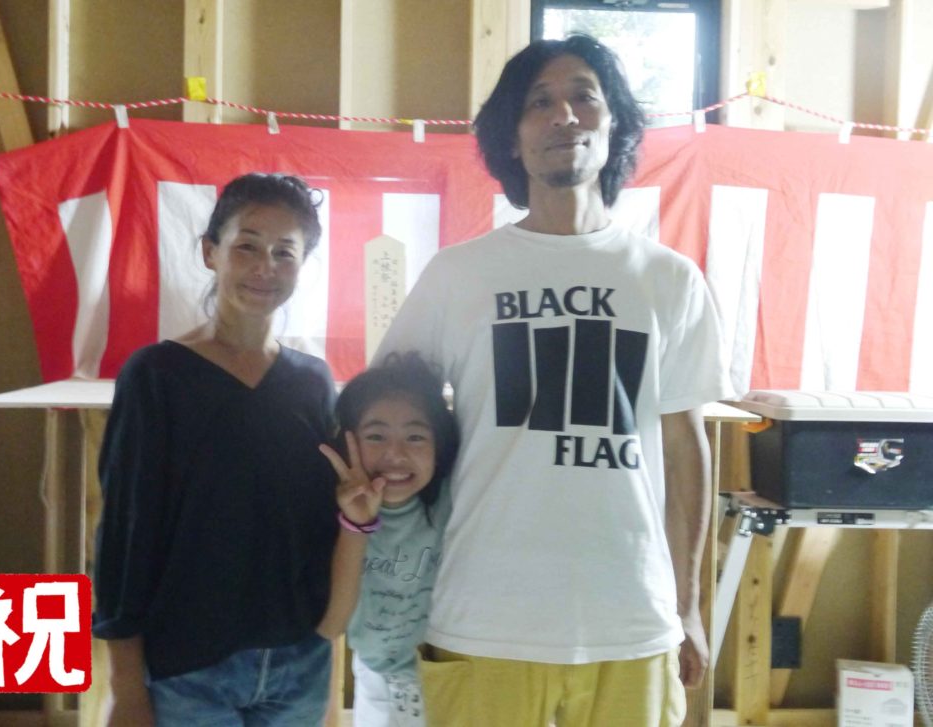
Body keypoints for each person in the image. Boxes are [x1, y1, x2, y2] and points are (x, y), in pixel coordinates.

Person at [374, 34, 734, 726]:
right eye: (538, 102)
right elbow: (384, 412)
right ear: (511, 140)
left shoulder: (669, 280)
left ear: (614, 123)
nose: (563, 115)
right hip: (483, 616)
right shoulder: (458, 274)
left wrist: (689, 604)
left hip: (631, 619)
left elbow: (685, 449)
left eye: (583, 97)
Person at [93, 172, 339, 726]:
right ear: (211, 252)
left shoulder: (313, 382)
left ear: (303, 264)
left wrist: (328, 677)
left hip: (299, 665)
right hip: (189, 667)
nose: (265, 267)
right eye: (246, 246)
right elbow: (126, 534)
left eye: (285, 252)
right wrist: (125, 685)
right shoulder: (156, 376)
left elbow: (328, 533)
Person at [315, 352, 460, 727]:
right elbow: (331, 627)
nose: (395, 454)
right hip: (376, 679)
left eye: (415, 436)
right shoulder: (329, 514)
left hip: (449, 677)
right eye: (376, 436)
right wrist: (357, 523)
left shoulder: (456, 502)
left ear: (440, 445)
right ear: (348, 442)